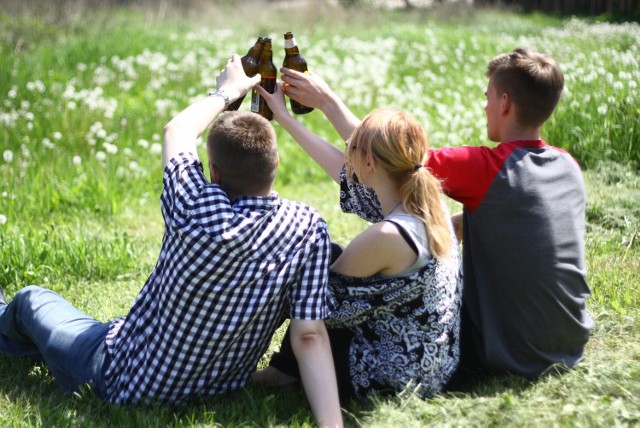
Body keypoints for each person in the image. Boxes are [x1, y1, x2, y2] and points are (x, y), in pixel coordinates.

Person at [0, 54, 343, 427]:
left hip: (118, 377)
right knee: (91, 327)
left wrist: (226, 91)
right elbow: (309, 336)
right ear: (277, 165)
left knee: (32, 300)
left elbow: (176, 131)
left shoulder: (194, 205)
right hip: (218, 387)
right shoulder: (308, 229)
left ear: (213, 171)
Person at [268, 47, 594, 383]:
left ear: (505, 104)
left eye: (488, 97)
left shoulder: (488, 169)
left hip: (508, 349)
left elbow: (386, 156)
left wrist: (326, 101)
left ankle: (284, 371)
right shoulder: (568, 166)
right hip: (569, 340)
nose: (485, 106)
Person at [252, 83, 462, 401]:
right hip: (435, 362)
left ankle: (281, 372)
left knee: (312, 268)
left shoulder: (388, 236)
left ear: (369, 164)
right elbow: (366, 158)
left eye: (353, 150)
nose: (347, 154)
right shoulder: (426, 200)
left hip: (395, 379)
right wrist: (298, 112)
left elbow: (319, 307)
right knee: (332, 259)